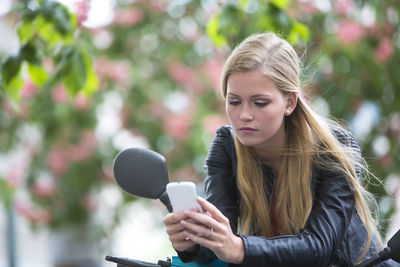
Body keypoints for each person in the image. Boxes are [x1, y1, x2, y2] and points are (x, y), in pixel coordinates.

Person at [163, 32, 397, 266]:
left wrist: (240, 247)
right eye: (234, 101)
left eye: (260, 103)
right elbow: (221, 242)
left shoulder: (334, 148)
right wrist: (190, 242)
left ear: (290, 102)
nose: (244, 115)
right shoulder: (227, 145)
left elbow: (319, 247)